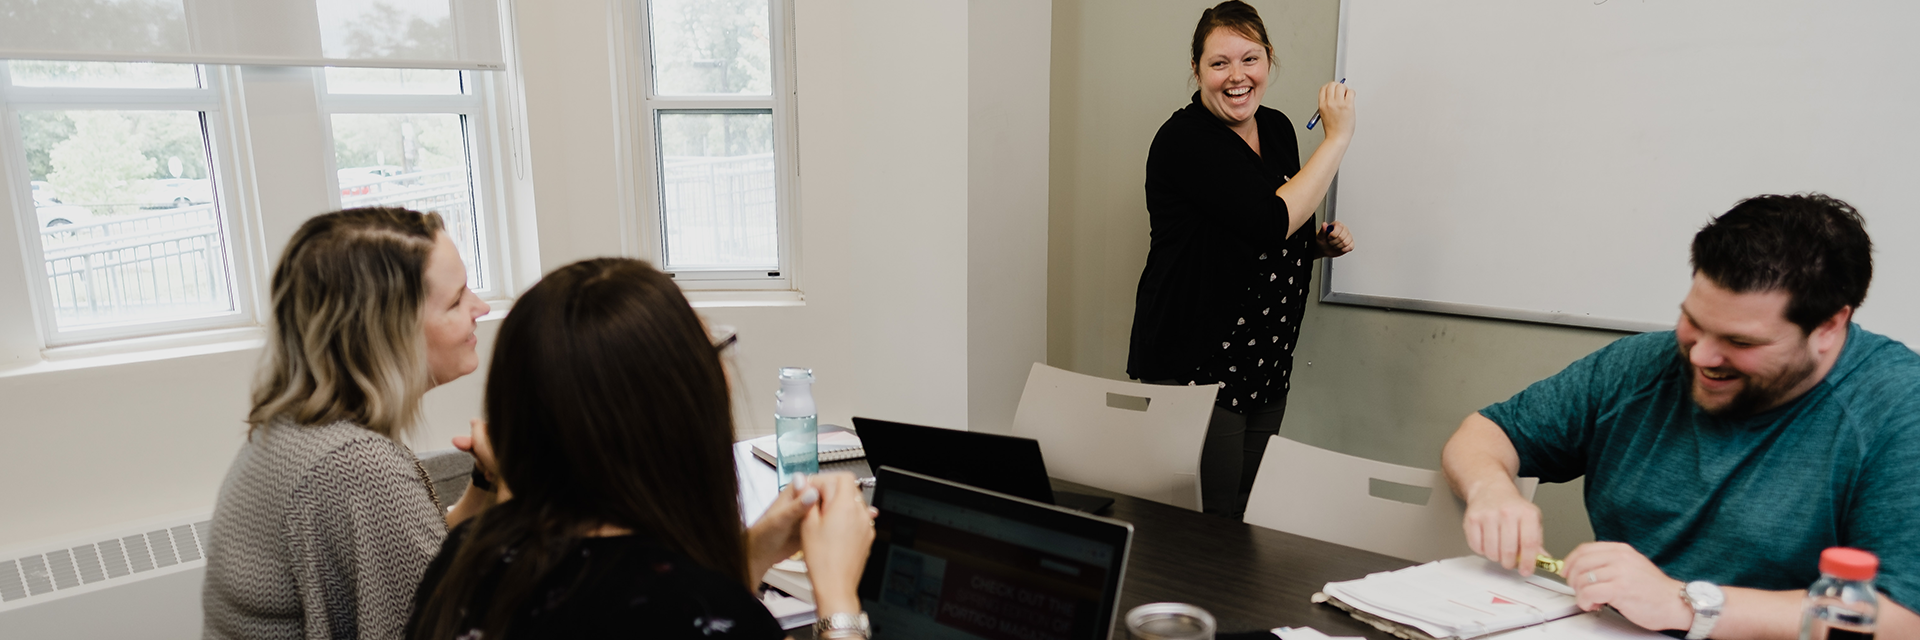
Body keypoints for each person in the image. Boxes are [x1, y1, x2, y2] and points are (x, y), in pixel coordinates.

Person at [1442, 194, 1919, 639]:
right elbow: (1487, 433)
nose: (1701, 357)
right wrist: (1492, 492)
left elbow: (1904, 618)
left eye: (1740, 342)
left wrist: (1688, 604)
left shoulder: (1898, 408)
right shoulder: (1640, 367)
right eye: (1693, 321)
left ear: (1829, 328)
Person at [407, 258, 876, 640]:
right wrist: (838, 599)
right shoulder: (713, 616)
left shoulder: (467, 559)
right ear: (671, 414)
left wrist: (751, 553)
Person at [203, 207, 497, 639]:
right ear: (386, 333)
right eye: (455, 300)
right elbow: (442, 625)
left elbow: (420, 562)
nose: (481, 307)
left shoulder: (296, 430)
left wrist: (487, 484)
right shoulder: (355, 468)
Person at [1128, 0, 1358, 518]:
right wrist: (1338, 137)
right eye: (1219, 63)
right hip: (1200, 356)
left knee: (1246, 510)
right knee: (1206, 525)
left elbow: (1272, 222)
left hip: (1268, 354)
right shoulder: (1185, 140)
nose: (1237, 77)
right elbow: (1268, 220)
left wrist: (1312, 245)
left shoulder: (1275, 128)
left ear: (1269, 61)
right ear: (1197, 70)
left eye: (1250, 59)